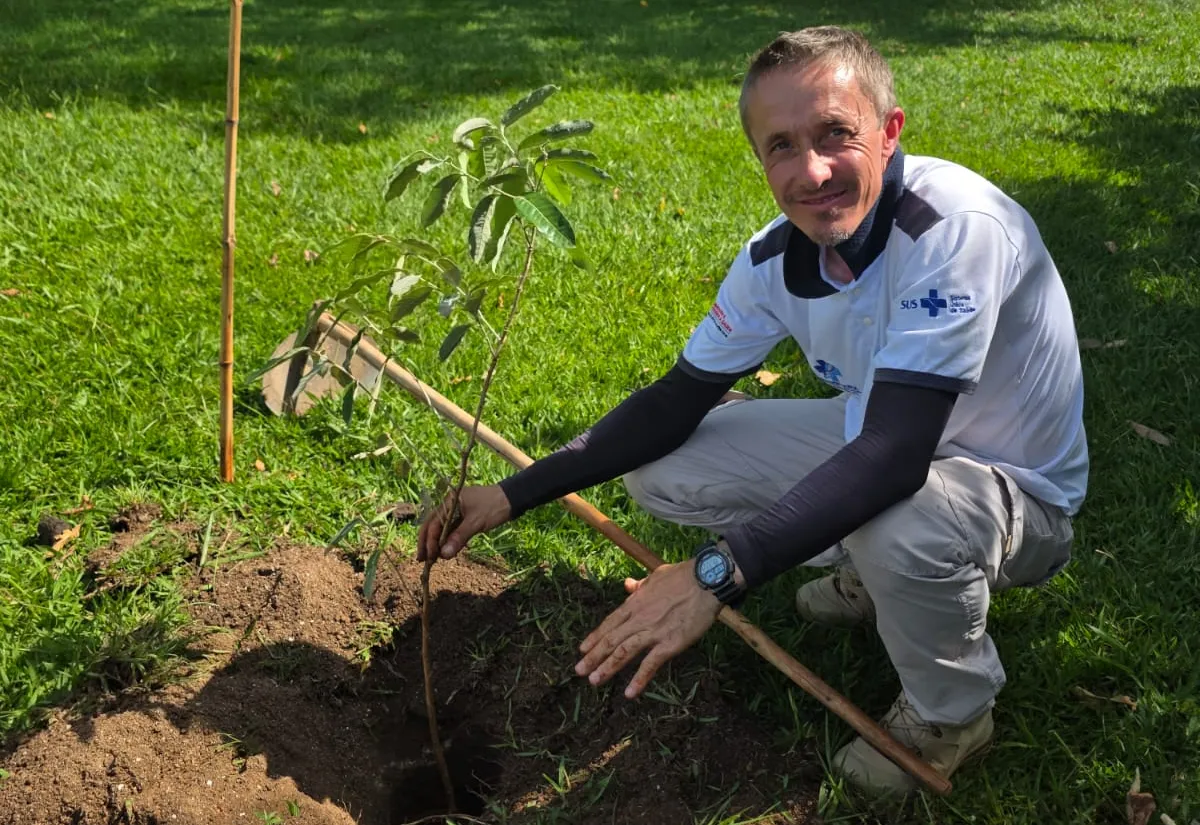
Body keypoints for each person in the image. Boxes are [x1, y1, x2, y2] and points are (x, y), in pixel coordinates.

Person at [418, 25, 1087, 796]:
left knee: (900, 517)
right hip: (883, 445)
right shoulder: (775, 255)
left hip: (1013, 494)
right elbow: (676, 401)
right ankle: (873, 576)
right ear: (760, 158)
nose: (812, 170)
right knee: (663, 465)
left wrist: (713, 574)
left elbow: (896, 456)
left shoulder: (952, 231)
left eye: (836, 134)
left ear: (890, 129)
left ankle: (951, 713)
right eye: (782, 146)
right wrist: (511, 492)